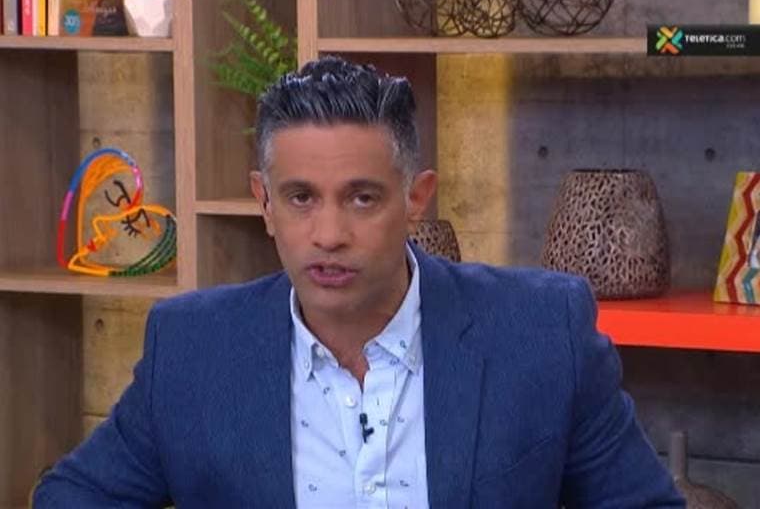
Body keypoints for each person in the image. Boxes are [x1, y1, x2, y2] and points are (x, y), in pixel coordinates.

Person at [34, 56, 684, 508]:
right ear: (264, 202)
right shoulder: (193, 348)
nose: (329, 234)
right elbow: (72, 497)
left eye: (362, 198)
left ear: (416, 198)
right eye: (301, 198)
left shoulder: (541, 331)